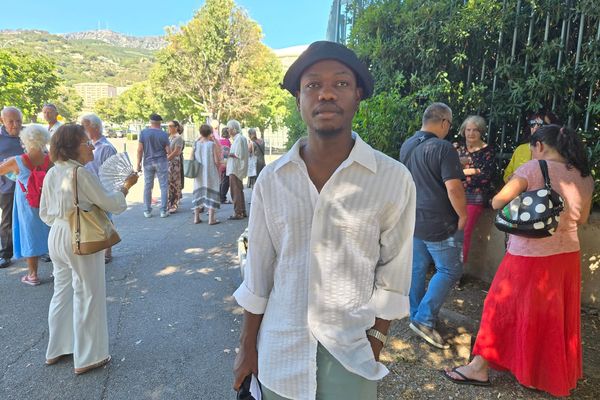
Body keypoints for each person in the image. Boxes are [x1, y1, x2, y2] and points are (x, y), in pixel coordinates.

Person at [233, 41, 416, 400]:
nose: (327, 94)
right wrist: (246, 347)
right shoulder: (273, 179)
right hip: (280, 351)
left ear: (358, 96)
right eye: (313, 85)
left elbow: (394, 273)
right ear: (299, 99)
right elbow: (259, 271)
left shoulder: (392, 179)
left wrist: (375, 341)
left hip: (351, 356)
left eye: (341, 84)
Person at [443, 125, 593, 397]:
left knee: (499, 307)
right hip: (567, 256)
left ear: (539, 146)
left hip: (529, 253)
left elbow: (499, 202)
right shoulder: (583, 176)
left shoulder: (534, 169)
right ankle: (541, 375)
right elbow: (582, 219)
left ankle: (479, 367)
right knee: (551, 316)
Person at [40, 124, 138, 375]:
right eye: (86, 142)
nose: (91, 146)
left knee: (62, 291)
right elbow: (111, 204)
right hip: (78, 235)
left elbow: (44, 212)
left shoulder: (53, 172)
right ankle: (89, 356)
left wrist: (62, 222)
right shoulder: (80, 174)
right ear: (73, 147)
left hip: (57, 234)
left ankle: (58, 348)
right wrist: (126, 186)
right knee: (88, 292)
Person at [399, 102, 466, 349]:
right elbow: (453, 187)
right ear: (444, 122)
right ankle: (425, 320)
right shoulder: (443, 147)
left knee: (417, 268)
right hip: (440, 221)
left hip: (413, 217)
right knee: (449, 270)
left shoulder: (408, 145)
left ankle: (416, 314)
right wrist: (463, 214)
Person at [0, 124, 52, 285]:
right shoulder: (49, 158)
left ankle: (32, 275)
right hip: (46, 201)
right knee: (50, 232)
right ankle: (58, 270)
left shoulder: (17, 160)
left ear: (25, 140)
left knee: (29, 234)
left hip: (27, 203)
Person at [455, 116, 495, 265]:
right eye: (468, 129)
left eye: (475, 130)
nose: (471, 133)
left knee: (464, 233)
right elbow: (446, 171)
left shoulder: (487, 151)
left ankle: (457, 272)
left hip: (474, 197)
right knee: (449, 232)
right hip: (454, 194)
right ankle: (445, 268)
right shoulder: (457, 148)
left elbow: (485, 177)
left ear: (481, 132)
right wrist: (474, 171)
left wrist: (461, 172)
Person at [82, 113, 118, 263]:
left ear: (95, 128)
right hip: (88, 188)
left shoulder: (106, 148)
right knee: (94, 219)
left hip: (101, 188)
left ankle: (107, 251)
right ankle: (98, 248)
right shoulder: (87, 146)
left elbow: (111, 173)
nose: (82, 129)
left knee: (105, 219)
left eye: (85, 126)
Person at [0, 106, 25, 269]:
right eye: (11, 121)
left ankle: (40, 250)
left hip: (28, 186)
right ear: (2, 121)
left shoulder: (27, 134)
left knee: (33, 217)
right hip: (6, 186)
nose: (15, 125)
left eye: (18, 121)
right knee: (7, 220)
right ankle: (5, 254)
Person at [136, 113, 170, 218]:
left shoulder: (143, 133)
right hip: (161, 161)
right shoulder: (164, 134)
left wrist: (138, 164)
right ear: (160, 123)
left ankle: (147, 210)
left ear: (150, 122)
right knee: (163, 186)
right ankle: (163, 211)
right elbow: (168, 151)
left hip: (148, 162)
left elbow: (140, 150)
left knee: (148, 186)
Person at [191, 124, 221, 225]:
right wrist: (219, 168)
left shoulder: (196, 143)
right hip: (210, 171)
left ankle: (196, 217)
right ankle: (211, 219)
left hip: (198, 171)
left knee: (198, 191)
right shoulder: (211, 144)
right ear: (210, 133)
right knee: (212, 191)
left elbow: (191, 158)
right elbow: (217, 160)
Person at [225, 120, 248, 220]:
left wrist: (226, 153)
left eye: (229, 128)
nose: (228, 131)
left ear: (234, 129)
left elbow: (238, 155)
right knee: (238, 190)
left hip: (235, 168)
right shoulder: (238, 139)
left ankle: (238, 212)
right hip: (235, 168)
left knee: (235, 191)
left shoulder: (239, 139)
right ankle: (241, 211)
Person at [166, 120, 184, 213]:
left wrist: (167, 158)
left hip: (174, 163)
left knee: (175, 183)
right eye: (168, 126)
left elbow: (177, 151)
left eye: (171, 126)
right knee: (168, 184)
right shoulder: (169, 137)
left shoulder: (178, 138)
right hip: (168, 163)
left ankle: (174, 204)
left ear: (176, 127)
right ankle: (169, 203)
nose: (169, 127)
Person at [218, 127, 231, 204]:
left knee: (221, 180)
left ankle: (219, 196)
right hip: (225, 163)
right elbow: (228, 153)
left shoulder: (219, 141)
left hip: (219, 163)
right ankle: (223, 197)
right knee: (226, 181)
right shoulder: (227, 142)